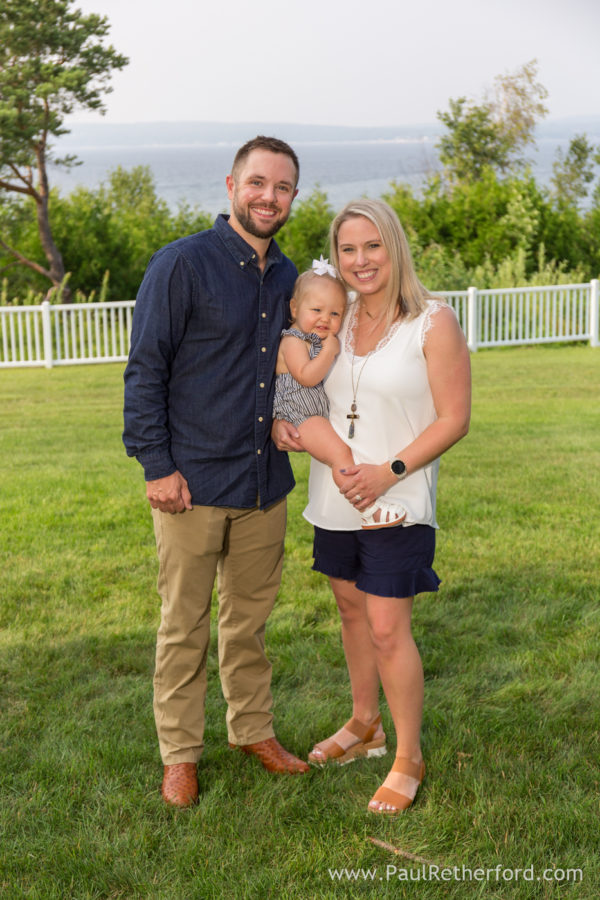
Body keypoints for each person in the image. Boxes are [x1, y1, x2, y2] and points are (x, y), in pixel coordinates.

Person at [123, 135, 310, 809]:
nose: (269, 196)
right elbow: (146, 370)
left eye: (282, 187)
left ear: (293, 197)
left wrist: (295, 417)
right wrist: (157, 466)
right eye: (257, 182)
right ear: (231, 186)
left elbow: (292, 367)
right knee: (185, 625)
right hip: (191, 485)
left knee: (248, 624)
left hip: (267, 484)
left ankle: (252, 731)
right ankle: (179, 753)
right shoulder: (181, 265)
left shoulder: (293, 280)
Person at [273, 198, 471, 815]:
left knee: (389, 628)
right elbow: (299, 385)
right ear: (336, 257)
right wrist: (285, 423)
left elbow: (455, 419)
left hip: (397, 496)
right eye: (347, 249)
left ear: (394, 247)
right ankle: (365, 724)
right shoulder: (334, 315)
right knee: (351, 609)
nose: (360, 261)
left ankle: (406, 753)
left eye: (372, 246)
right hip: (334, 494)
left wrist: (389, 473)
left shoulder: (433, 322)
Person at [273, 258, 406, 529]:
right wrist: (330, 351)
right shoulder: (293, 340)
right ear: (295, 308)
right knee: (340, 454)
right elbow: (307, 376)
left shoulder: (313, 338)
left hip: (311, 412)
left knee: (343, 451)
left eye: (335, 314)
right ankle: (367, 507)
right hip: (299, 414)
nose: (325, 319)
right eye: (317, 310)